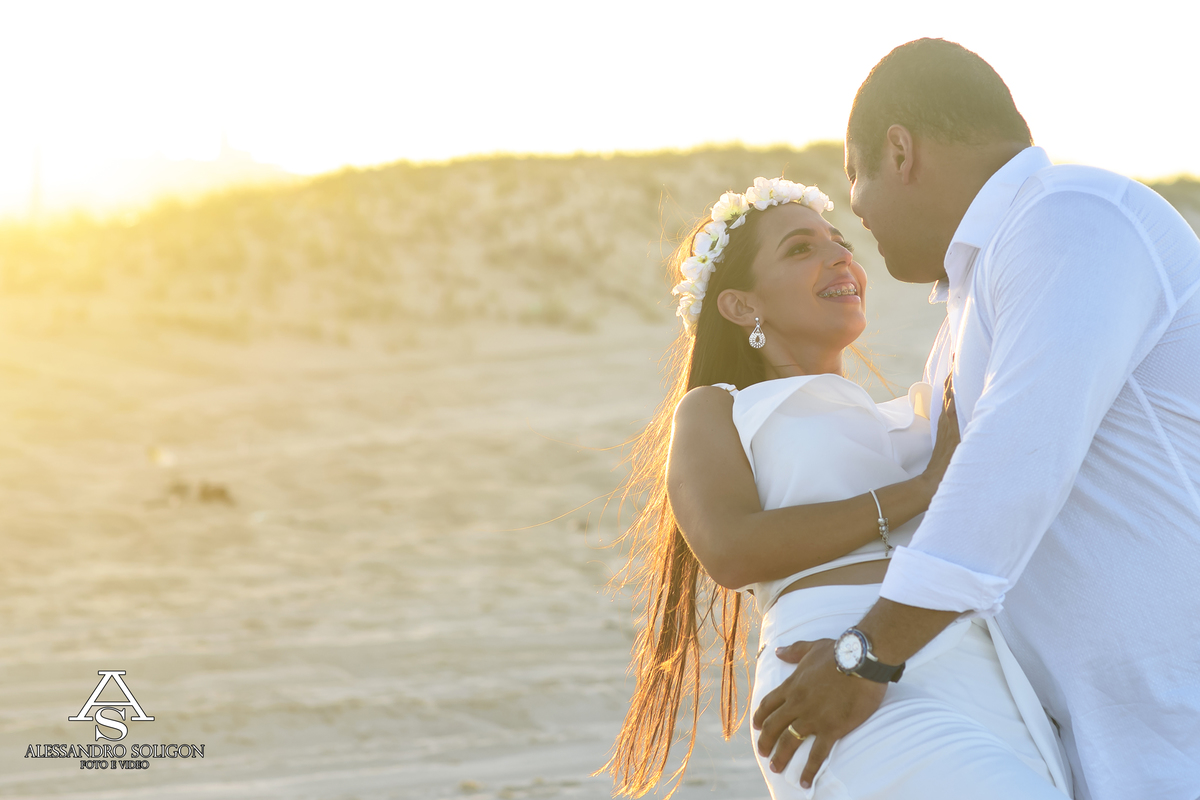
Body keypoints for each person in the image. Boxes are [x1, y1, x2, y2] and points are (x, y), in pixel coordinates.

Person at [752, 39, 1200, 800]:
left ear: (899, 151)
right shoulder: (971, 303)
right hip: (1094, 742)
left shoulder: (1072, 214)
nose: (859, 216)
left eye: (855, 185)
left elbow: (1017, 459)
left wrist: (869, 655)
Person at [602, 176, 1071, 798]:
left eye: (840, 241)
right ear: (743, 306)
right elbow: (729, 548)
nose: (841, 257)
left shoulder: (916, 413)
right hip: (825, 672)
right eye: (800, 249)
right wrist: (929, 488)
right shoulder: (720, 409)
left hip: (977, 664)